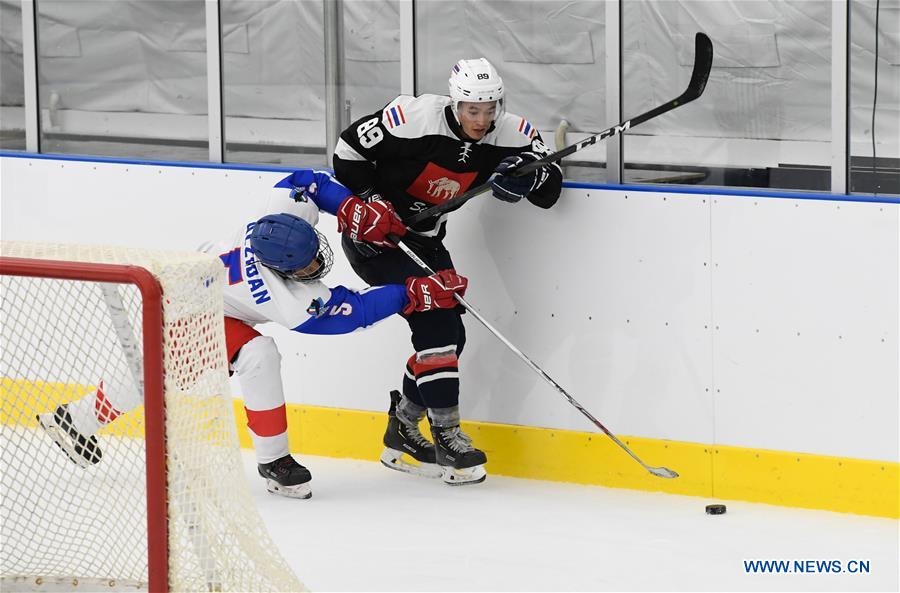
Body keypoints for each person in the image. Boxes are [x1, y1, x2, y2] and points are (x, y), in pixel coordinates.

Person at [37, 169, 468, 499]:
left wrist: (351, 208)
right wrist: (413, 292)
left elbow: (306, 182)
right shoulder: (284, 297)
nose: (316, 266)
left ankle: (72, 419)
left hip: (198, 287)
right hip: (191, 307)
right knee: (255, 355)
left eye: (313, 254)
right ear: (281, 270)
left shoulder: (279, 219)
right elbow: (352, 313)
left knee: (165, 372)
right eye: (303, 267)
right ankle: (274, 462)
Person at [332, 57, 563, 485]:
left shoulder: (513, 132)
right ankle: (447, 435)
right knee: (435, 320)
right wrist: (369, 200)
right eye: (472, 110)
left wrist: (528, 179)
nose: (482, 119)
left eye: (490, 109)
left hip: (425, 239)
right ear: (455, 104)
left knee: (452, 337)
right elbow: (347, 152)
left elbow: (550, 188)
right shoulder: (411, 117)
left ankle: (402, 429)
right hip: (377, 241)